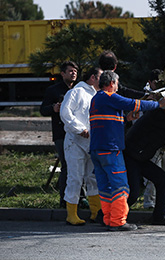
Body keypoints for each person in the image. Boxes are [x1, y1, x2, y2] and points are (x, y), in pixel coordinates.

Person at [89, 70, 165, 231]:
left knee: (106, 189)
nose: (118, 87)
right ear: (112, 83)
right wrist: (159, 104)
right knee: (121, 188)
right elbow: (134, 104)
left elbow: (107, 121)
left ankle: (108, 219)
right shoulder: (109, 96)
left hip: (97, 150)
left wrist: (126, 119)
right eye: (117, 84)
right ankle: (118, 221)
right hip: (111, 150)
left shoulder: (96, 99)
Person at [124, 107, 165, 225]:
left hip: (140, 158)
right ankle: (108, 215)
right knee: (133, 193)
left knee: (163, 179)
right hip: (131, 157)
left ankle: (159, 216)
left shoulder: (161, 117)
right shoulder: (156, 116)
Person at [60, 67, 103, 226]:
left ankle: (96, 212)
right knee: (75, 178)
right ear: (93, 78)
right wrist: (79, 129)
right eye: (101, 78)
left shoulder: (97, 95)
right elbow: (65, 113)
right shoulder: (76, 92)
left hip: (91, 142)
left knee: (93, 178)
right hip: (75, 142)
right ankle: (71, 214)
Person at [40, 61, 78, 207]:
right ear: (62, 74)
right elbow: (43, 109)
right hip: (61, 133)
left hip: (78, 132)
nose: (73, 73)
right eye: (70, 71)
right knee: (67, 165)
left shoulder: (79, 89)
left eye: (75, 71)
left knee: (79, 166)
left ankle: (79, 197)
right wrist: (54, 108)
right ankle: (65, 200)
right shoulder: (53, 90)